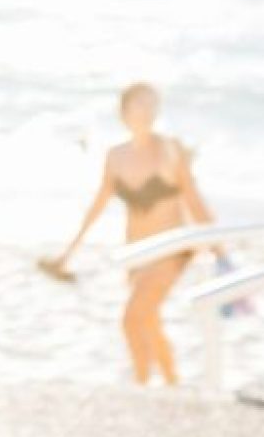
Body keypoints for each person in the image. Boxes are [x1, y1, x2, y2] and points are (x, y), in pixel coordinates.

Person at [40, 83, 215, 386]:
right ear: (124, 111)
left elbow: (194, 200)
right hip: (136, 252)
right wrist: (69, 253)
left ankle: (143, 384)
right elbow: (97, 206)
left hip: (172, 249)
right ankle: (170, 383)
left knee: (131, 318)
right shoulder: (115, 156)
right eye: (141, 104)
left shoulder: (171, 149)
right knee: (147, 320)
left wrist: (220, 252)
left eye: (153, 104)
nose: (148, 111)